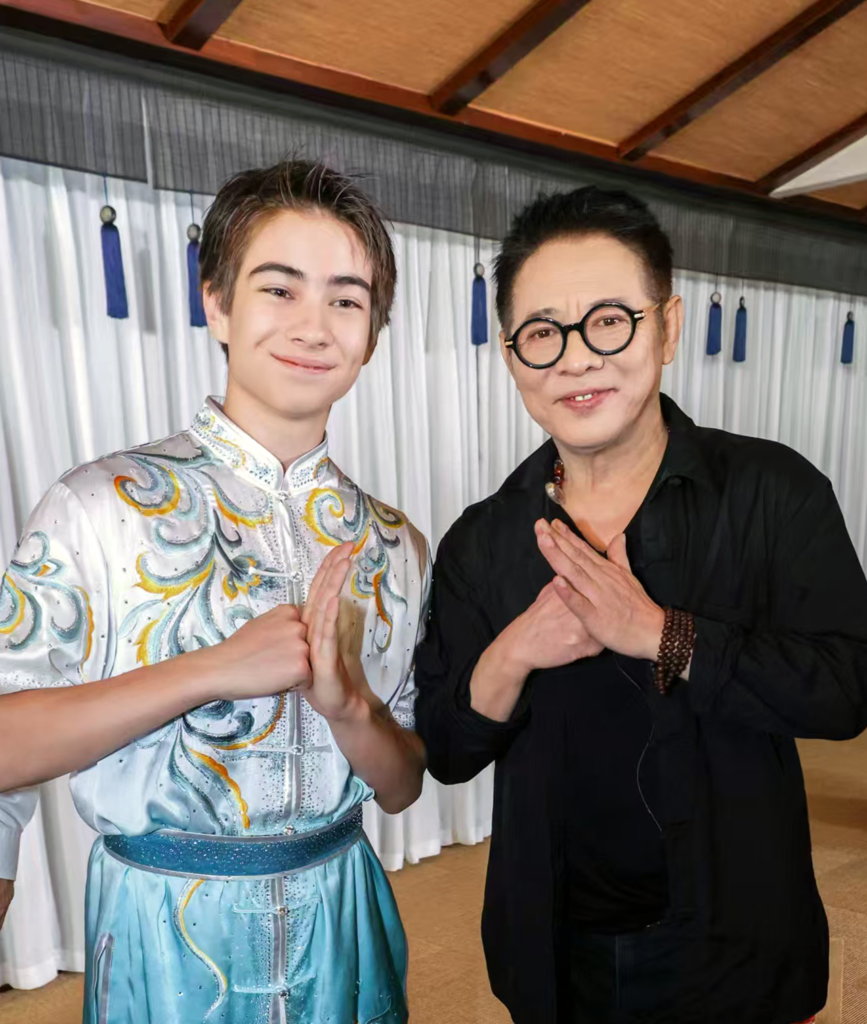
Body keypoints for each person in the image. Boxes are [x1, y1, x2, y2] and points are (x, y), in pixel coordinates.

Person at [414, 186, 867, 1024]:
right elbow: (444, 748)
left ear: (666, 328)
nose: (575, 359)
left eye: (608, 321)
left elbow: (846, 690)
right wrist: (512, 652)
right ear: (511, 355)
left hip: (735, 944)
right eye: (542, 332)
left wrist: (662, 635)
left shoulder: (773, 491)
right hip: (555, 949)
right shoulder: (483, 538)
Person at [0, 159, 429, 1024]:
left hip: (344, 921)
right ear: (218, 304)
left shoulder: (396, 543)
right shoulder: (100, 504)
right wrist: (212, 669)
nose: (313, 326)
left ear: (372, 334)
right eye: (280, 289)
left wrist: (351, 708)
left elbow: (402, 786)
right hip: (163, 932)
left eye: (346, 300)